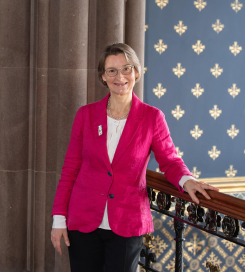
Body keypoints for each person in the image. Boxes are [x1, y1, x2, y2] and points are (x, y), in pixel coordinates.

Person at [51, 43, 219, 272]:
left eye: (126, 68)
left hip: (127, 223)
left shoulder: (152, 117)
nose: (120, 76)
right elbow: (70, 168)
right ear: (103, 76)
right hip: (83, 221)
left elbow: (169, 160)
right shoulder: (86, 115)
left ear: (137, 72)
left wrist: (186, 180)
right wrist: (59, 219)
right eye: (112, 70)